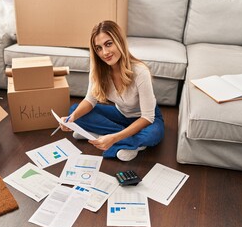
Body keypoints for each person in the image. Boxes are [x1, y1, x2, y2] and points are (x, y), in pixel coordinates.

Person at [60, 20, 164, 161]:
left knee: (153, 135)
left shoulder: (140, 71)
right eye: (99, 48)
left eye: (108, 44)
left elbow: (147, 117)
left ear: (119, 41)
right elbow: (90, 100)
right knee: (74, 110)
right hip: (121, 115)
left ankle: (100, 137)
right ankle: (129, 143)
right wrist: (71, 119)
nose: (105, 52)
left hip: (145, 119)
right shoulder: (98, 71)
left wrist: (114, 137)